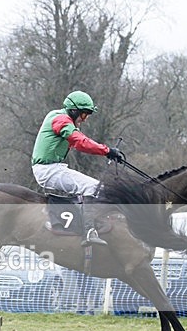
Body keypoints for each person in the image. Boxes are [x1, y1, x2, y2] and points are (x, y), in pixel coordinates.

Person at [31, 91, 125, 246]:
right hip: (48, 170)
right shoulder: (61, 119)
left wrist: (107, 152)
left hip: (52, 168)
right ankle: (89, 232)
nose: (85, 119)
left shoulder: (63, 119)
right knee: (93, 188)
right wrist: (107, 151)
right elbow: (80, 142)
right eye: (84, 114)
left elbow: (81, 143)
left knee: (95, 187)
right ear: (74, 111)